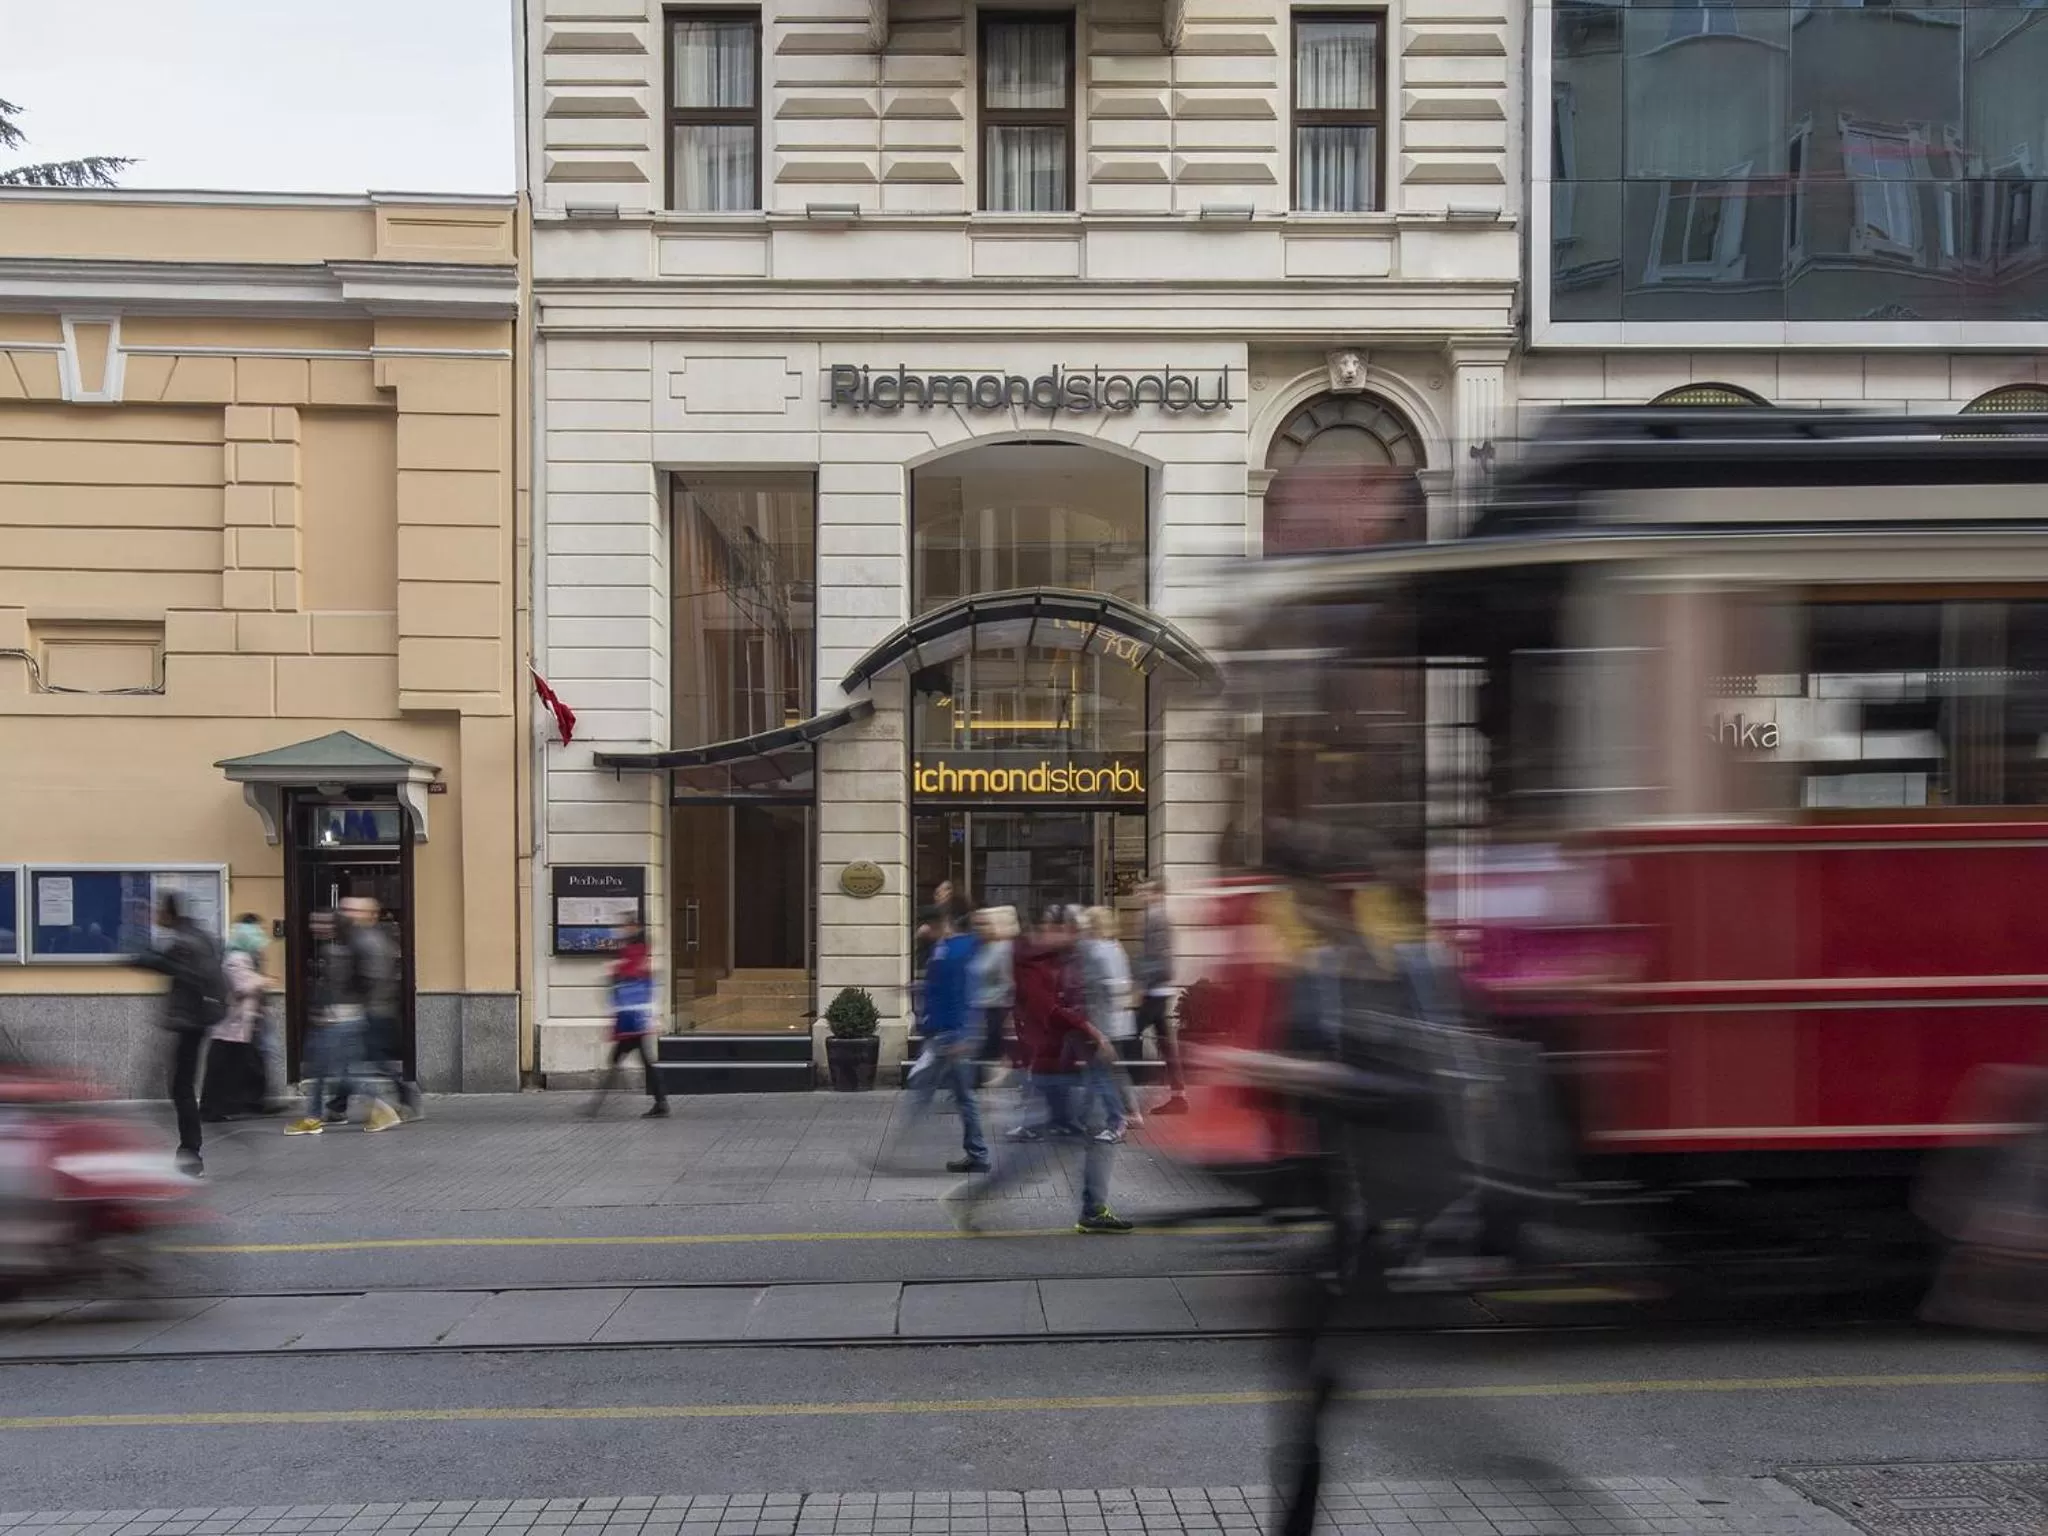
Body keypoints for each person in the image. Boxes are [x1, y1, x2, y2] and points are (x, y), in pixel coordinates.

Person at [948, 904, 1131, 1234]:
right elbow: (1049, 1010)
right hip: (1056, 1064)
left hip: (1072, 1061)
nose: (1074, 937)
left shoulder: (1055, 959)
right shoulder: (1033, 963)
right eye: (1067, 930)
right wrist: (1093, 1031)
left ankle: (1092, 1209)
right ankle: (980, 1196)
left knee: (1082, 1136)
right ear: (1049, 929)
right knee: (1064, 1141)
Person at [131, 890, 225, 1175]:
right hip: (198, 1021)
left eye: (159, 911)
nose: (156, 916)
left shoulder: (184, 942)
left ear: (168, 912)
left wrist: (136, 938)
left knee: (180, 1088)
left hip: (189, 1022)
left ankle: (190, 1152)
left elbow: (157, 962)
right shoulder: (199, 935)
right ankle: (189, 1150)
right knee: (181, 1086)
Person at [286, 909, 401, 1135]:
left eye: (319, 922)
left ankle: (379, 1107)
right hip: (344, 1016)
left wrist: (332, 1009)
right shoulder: (345, 946)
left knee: (341, 1072)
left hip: (337, 1019)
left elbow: (338, 986)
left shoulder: (338, 951)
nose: (314, 927)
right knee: (325, 1070)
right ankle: (314, 1116)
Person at [913, 897, 988, 1173]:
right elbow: (938, 989)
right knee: (955, 1095)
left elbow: (963, 995)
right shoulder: (942, 949)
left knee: (954, 1095)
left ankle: (978, 1153)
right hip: (942, 1032)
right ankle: (977, 1153)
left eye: (925, 925)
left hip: (953, 1035)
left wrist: (963, 1035)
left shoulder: (957, 950)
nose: (921, 931)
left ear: (937, 924)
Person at [329, 897, 421, 1122]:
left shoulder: (369, 941)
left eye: (352, 910)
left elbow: (372, 978)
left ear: (369, 915)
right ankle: (338, 1104)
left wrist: (358, 1005)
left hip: (373, 1011)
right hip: (373, 1009)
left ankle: (405, 1098)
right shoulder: (364, 938)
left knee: (372, 1059)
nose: (346, 914)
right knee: (355, 1059)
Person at [593, 916, 669, 1117]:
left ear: (634, 928)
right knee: (640, 1060)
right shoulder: (637, 952)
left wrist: (615, 973)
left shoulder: (635, 952)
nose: (622, 929)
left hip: (632, 1021)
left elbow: (631, 980)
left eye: (626, 926)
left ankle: (597, 1104)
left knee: (620, 1059)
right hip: (635, 1020)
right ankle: (660, 1102)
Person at [1079, 906, 1140, 1144]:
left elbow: (1096, 989)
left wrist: (1099, 1030)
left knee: (1099, 1072)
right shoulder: (1116, 947)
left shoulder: (1096, 952)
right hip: (1120, 1019)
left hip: (1104, 1022)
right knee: (1111, 1070)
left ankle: (1116, 1121)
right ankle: (1127, 1113)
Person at [202, 919, 272, 1121]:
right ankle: (213, 1108)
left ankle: (225, 1106)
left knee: (232, 1067)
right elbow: (242, 986)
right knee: (223, 1068)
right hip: (230, 1023)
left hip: (236, 1024)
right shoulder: (237, 958)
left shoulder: (237, 957)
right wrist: (262, 981)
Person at [1134, 880, 1188, 1114]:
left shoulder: (1155, 918)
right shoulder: (1155, 916)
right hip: (1159, 988)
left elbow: (1156, 956)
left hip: (1155, 989)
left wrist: (1141, 985)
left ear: (1157, 894)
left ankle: (1122, 1098)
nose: (1140, 894)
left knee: (1125, 1035)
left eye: (1146, 891)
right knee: (1166, 1045)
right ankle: (1179, 1096)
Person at [969, 906, 1015, 1069]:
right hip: (980, 1007)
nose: (979, 928)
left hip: (995, 1007)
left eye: (984, 924)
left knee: (990, 1052)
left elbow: (1008, 980)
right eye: (978, 924)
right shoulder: (981, 947)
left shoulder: (1003, 948)